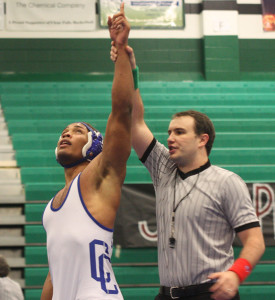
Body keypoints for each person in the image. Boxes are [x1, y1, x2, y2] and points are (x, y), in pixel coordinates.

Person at [110, 45, 265, 299]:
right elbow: (134, 120)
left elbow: (255, 242)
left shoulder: (226, 182)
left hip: (210, 293)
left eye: (179, 132)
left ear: (202, 139)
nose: (170, 138)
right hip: (167, 294)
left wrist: (237, 273)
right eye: (169, 132)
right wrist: (129, 66)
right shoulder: (163, 168)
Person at [40, 3, 134, 300]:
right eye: (64, 131)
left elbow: (122, 112)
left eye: (77, 130)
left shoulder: (100, 177)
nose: (66, 133)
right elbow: (55, 273)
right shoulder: (51, 206)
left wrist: (120, 51)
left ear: (95, 144)